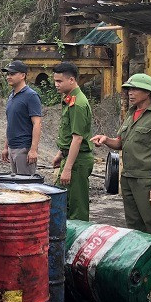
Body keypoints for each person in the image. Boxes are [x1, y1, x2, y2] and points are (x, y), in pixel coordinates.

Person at [91, 73, 151, 238]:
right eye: (129, 89)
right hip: (128, 178)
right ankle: (143, 253)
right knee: (134, 225)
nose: (130, 93)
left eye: (135, 89)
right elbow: (120, 143)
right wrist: (106, 140)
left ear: (148, 92)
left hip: (145, 180)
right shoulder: (131, 114)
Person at [51, 61, 93, 221]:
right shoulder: (70, 99)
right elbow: (68, 135)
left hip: (77, 161)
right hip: (70, 157)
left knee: (77, 208)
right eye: (55, 81)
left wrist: (67, 168)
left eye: (59, 81)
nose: (56, 84)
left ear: (71, 80)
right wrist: (60, 153)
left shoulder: (78, 104)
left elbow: (77, 138)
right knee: (63, 204)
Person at [1, 60, 43, 174]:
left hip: (24, 149)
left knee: (25, 183)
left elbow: (37, 123)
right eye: (8, 74)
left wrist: (33, 150)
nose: (8, 77)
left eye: (12, 74)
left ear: (23, 75)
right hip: (12, 148)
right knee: (15, 183)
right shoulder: (11, 96)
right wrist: (6, 147)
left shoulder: (31, 96)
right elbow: (11, 123)